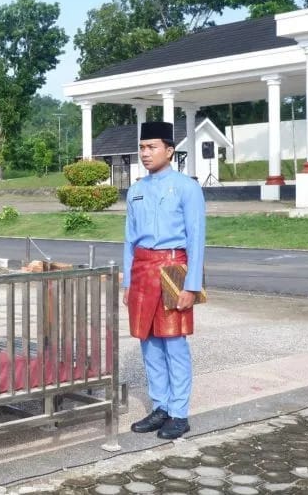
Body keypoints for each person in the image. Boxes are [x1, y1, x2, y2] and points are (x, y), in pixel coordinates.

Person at [123, 121, 206, 440]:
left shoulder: (187, 187)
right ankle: (161, 407)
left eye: (152, 147)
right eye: (142, 148)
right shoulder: (136, 190)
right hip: (142, 269)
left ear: (169, 151)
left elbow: (196, 238)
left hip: (173, 268)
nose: (145, 153)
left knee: (173, 342)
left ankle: (179, 413)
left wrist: (191, 285)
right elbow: (129, 239)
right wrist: (127, 282)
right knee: (148, 341)